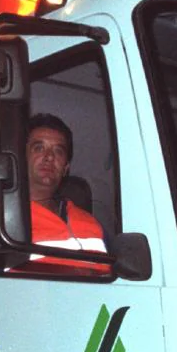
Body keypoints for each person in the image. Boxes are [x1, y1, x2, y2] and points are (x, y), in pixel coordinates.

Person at [21, 113, 109, 273]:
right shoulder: (5, 221)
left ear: (66, 168)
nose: (49, 157)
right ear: (21, 158)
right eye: (38, 148)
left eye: (58, 151)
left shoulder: (90, 223)